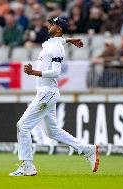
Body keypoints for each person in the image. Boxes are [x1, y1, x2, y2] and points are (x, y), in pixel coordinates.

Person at [9, 17, 99, 176]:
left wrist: (33, 72)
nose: (49, 25)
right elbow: (57, 43)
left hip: (47, 93)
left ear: (58, 29)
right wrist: (69, 40)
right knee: (53, 132)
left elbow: (56, 73)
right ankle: (87, 150)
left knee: (22, 126)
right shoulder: (53, 43)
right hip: (46, 93)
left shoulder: (57, 47)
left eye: (53, 24)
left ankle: (28, 166)